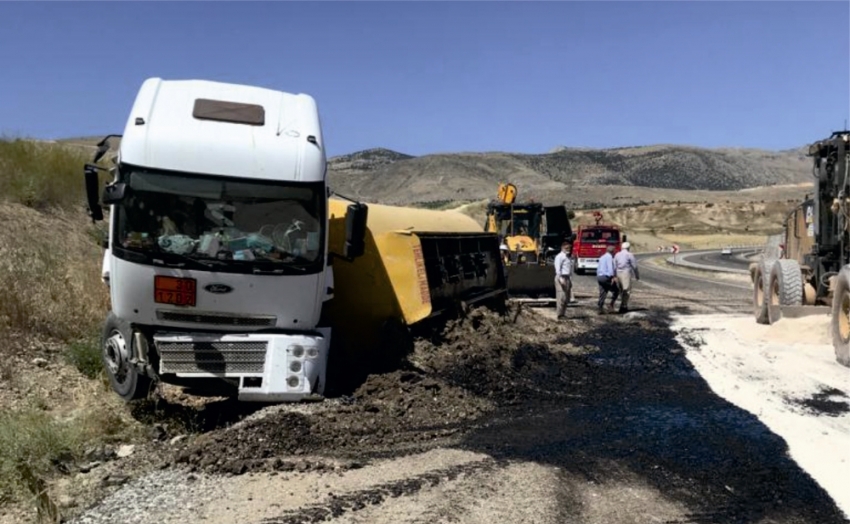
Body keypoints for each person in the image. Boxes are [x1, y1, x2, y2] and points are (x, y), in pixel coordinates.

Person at [613, 241, 640, 313]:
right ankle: (624, 306)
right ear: (628, 248)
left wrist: (614, 275)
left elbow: (614, 265)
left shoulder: (617, 254)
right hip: (625, 273)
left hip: (618, 273)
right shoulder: (629, 255)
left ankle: (623, 304)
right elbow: (634, 266)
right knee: (626, 290)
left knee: (621, 290)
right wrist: (637, 275)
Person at [596, 244, 619, 314]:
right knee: (616, 290)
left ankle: (600, 307)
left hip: (599, 276)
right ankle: (611, 305)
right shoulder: (609, 257)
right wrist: (613, 277)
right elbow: (610, 268)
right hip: (606, 277)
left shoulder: (602, 257)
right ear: (612, 251)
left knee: (603, 291)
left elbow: (598, 268)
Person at [553, 241, 572, 320]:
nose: (568, 249)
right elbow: (558, 268)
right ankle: (559, 314)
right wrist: (560, 279)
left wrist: (570, 280)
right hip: (561, 277)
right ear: (562, 248)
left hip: (567, 277)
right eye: (566, 248)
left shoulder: (568, 256)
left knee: (567, 297)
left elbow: (569, 269)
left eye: (569, 248)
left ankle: (563, 313)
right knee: (561, 296)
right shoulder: (559, 256)